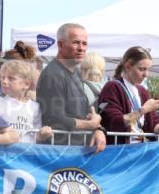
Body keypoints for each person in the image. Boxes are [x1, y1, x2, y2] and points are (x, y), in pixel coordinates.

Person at [36, 23, 106, 152]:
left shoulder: (76, 74)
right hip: (58, 153)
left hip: (78, 152)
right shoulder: (52, 74)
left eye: (84, 44)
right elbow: (54, 119)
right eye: (76, 43)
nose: (81, 48)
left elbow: (86, 113)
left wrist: (98, 129)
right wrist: (90, 125)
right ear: (61, 45)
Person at [97, 46, 159, 144]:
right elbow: (113, 122)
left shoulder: (142, 91)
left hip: (139, 150)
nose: (146, 74)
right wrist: (143, 110)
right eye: (142, 69)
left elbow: (153, 125)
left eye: (148, 69)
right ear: (128, 66)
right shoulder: (112, 87)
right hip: (119, 151)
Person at [0, 60, 53, 143]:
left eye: (11, 78)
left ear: (26, 84)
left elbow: (34, 136)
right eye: (3, 77)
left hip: (24, 154)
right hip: (0, 153)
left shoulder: (35, 107)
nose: (4, 81)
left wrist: (42, 135)